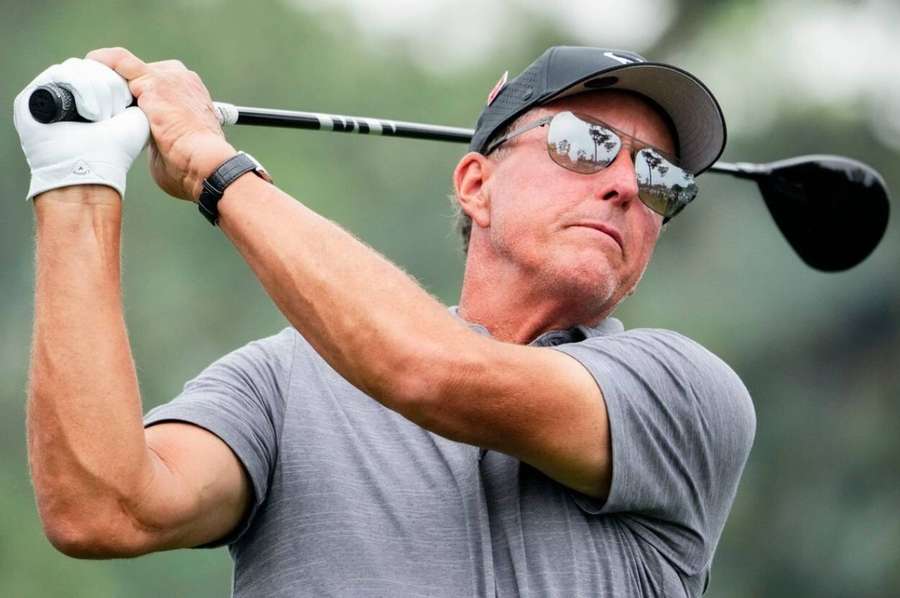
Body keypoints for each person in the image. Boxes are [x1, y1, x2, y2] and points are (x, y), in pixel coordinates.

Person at [16, 46, 755, 597]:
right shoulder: (284, 379)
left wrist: (215, 165)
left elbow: (431, 371)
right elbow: (103, 508)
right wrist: (74, 179)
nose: (627, 184)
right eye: (585, 143)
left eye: (662, 176)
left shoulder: (685, 394)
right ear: (476, 185)